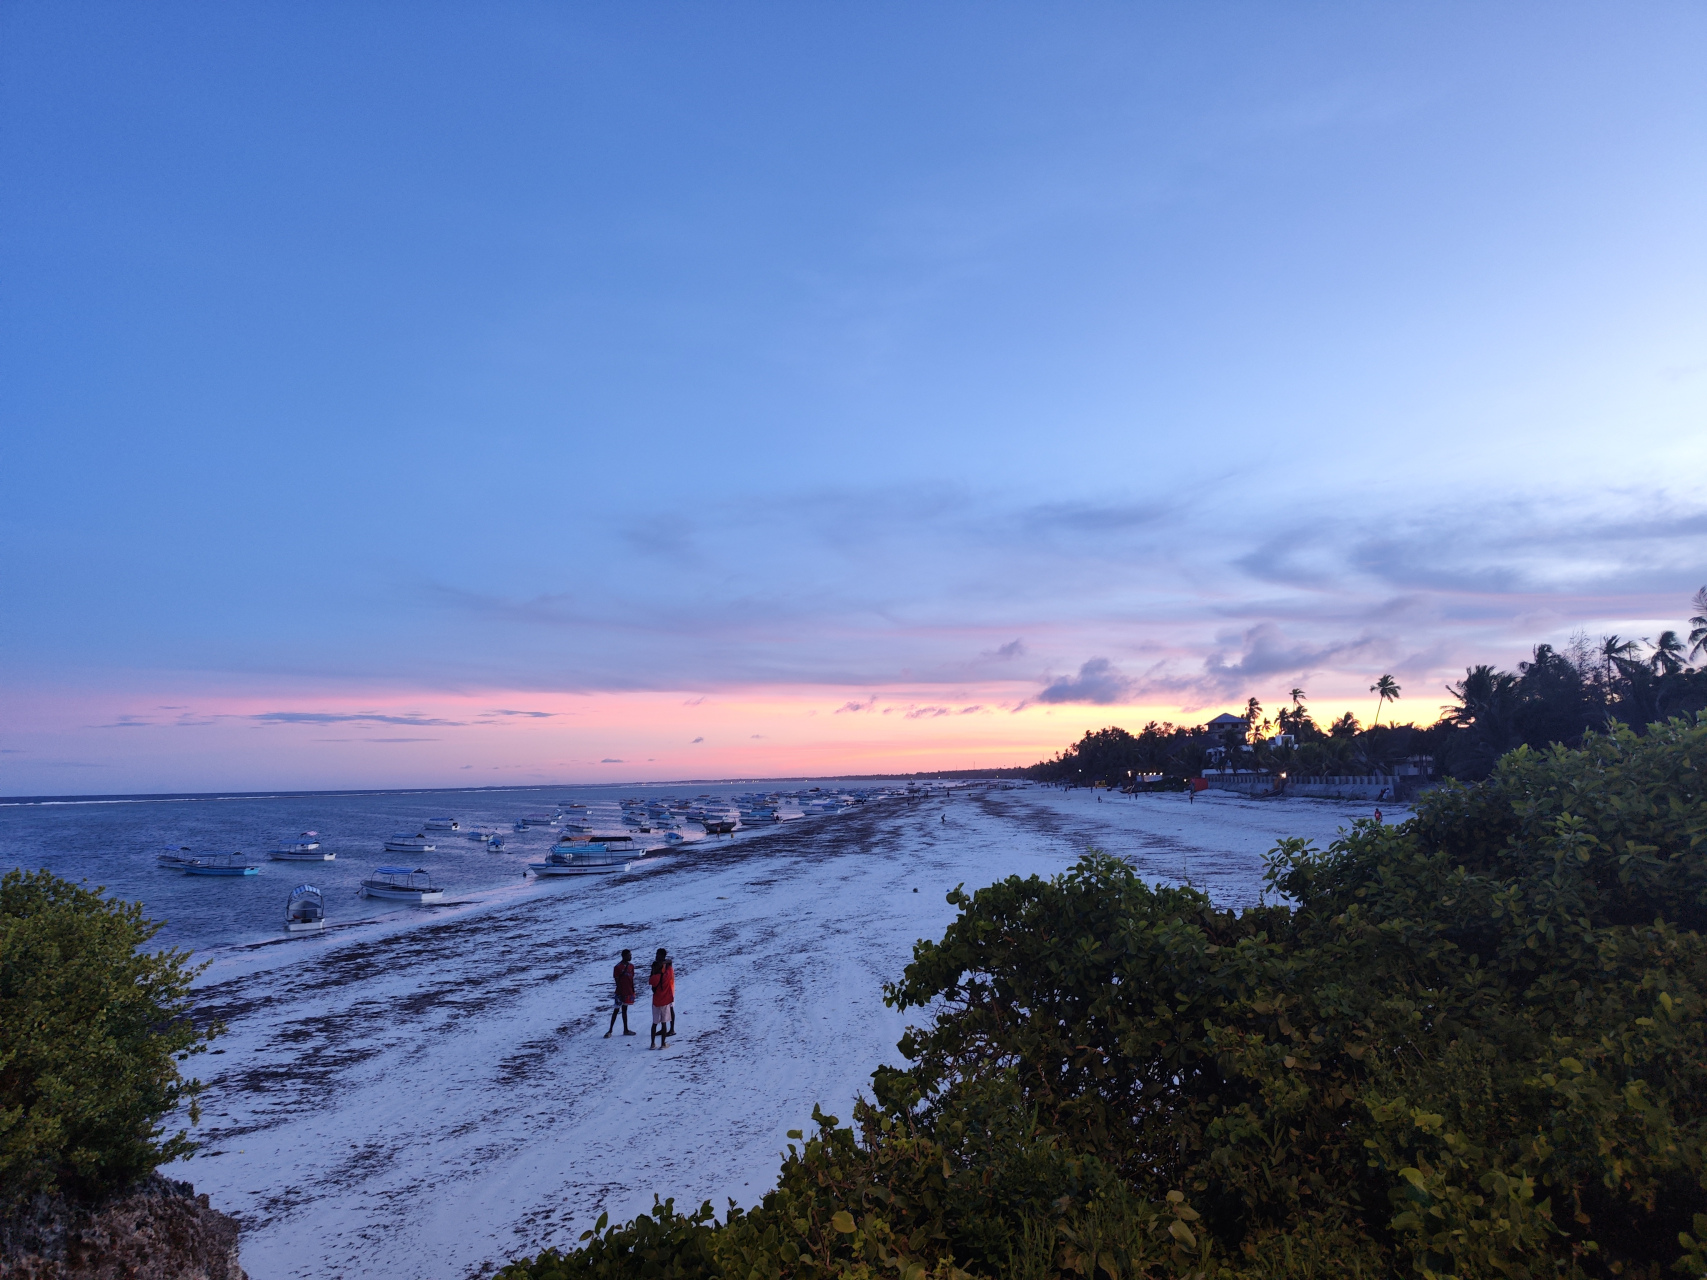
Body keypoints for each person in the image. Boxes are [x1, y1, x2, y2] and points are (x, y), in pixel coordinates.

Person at [605, 948, 637, 1038]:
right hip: (620, 993)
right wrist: (621, 993)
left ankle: (625, 1029)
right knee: (616, 1010)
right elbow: (617, 981)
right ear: (624, 956)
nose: (630, 957)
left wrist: (632, 991)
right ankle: (610, 1030)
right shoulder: (618, 967)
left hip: (627, 992)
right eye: (629, 955)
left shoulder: (631, 966)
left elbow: (631, 980)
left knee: (624, 1010)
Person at [648, 948, 675, 1050]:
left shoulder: (654, 978)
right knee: (664, 1023)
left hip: (656, 1001)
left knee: (654, 1023)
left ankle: (652, 1044)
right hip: (665, 1000)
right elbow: (670, 967)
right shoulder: (667, 973)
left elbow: (651, 981)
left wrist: (653, 971)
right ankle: (663, 1044)